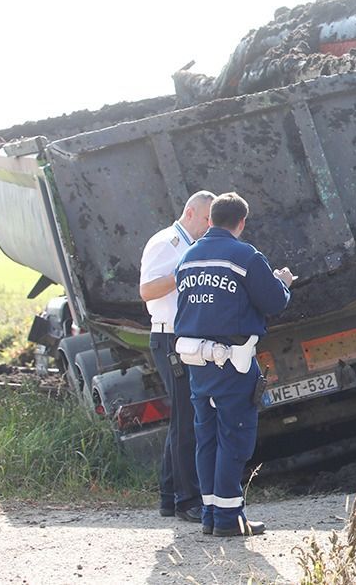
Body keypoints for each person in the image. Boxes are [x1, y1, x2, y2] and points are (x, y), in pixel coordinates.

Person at [173, 192, 294, 537]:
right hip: (234, 364)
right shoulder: (245, 256)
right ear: (241, 223)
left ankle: (212, 514)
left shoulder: (187, 258)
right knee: (235, 438)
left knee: (206, 438)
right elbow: (273, 302)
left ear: (210, 220)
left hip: (198, 363)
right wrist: (283, 283)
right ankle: (228, 519)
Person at [139, 190, 215, 522]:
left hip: (184, 337)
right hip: (169, 337)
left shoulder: (189, 245)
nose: (209, 225)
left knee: (182, 418)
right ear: (190, 212)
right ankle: (188, 500)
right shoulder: (166, 243)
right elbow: (147, 290)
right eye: (206, 218)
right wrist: (181, 274)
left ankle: (170, 497)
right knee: (186, 421)